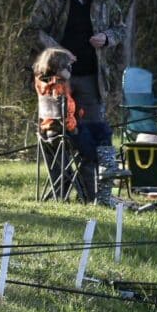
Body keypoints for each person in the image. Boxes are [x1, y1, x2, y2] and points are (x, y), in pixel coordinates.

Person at [27, 0, 126, 199]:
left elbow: (120, 28)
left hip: (92, 79)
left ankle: (90, 194)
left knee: (92, 135)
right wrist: (57, 51)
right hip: (55, 81)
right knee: (53, 135)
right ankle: (60, 189)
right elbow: (31, 31)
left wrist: (106, 39)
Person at [33, 47, 125, 206]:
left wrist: (79, 114)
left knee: (100, 128)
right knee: (97, 142)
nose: (71, 69)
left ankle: (106, 167)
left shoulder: (41, 82)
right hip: (65, 132)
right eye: (67, 66)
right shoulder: (58, 87)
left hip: (48, 131)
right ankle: (106, 171)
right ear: (57, 67)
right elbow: (65, 116)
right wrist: (74, 128)